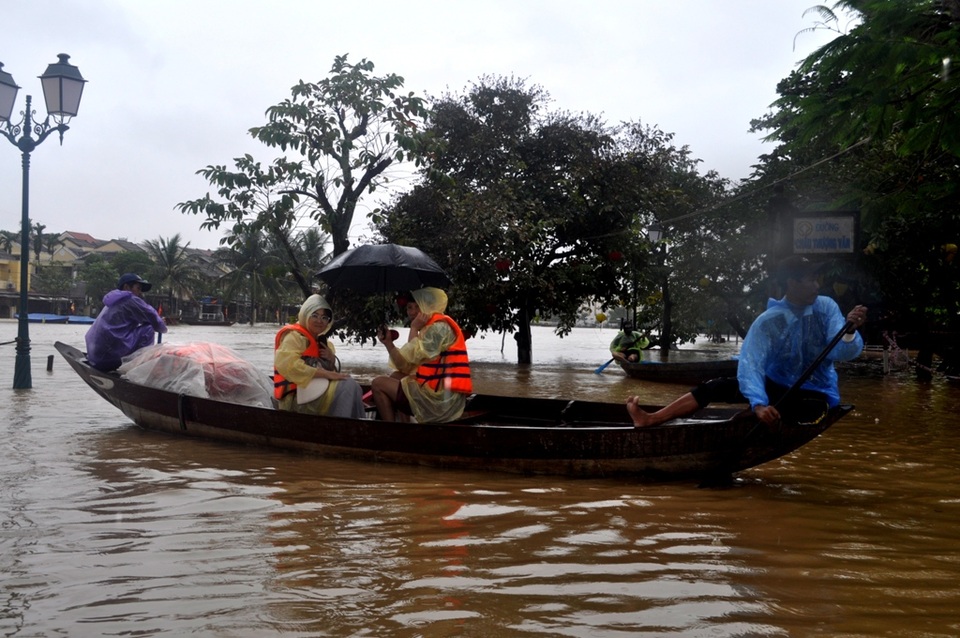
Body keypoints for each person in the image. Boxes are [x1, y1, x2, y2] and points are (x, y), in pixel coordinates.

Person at [627, 256, 868, 427]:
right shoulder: (769, 321)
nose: (817, 286)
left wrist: (849, 330)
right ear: (792, 283)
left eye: (817, 280)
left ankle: (747, 418)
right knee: (715, 386)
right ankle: (651, 419)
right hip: (777, 385)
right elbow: (751, 364)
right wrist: (759, 403)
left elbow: (843, 352)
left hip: (816, 393)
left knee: (799, 410)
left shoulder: (826, 307)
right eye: (810, 280)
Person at [371, 287, 472, 422]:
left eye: (417, 307)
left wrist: (414, 328)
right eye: (409, 308)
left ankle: (391, 433)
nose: (412, 312)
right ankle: (405, 426)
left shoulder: (439, 328)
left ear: (428, 307)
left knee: (378, 383)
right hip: (436, 392)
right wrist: (388, 343)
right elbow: (404, 367)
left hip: (441, 401)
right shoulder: (429, 328)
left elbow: (412, 357)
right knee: (395, 376)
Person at [273, 294, 366, 419]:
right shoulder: (294, 337)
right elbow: (288, 366)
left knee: (354, 386)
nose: (319, 321)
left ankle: (354, 425)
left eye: (324, 317)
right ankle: (341, 428)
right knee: (348, 385)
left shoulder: (325, 343)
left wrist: (331, 359)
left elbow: (332, 373)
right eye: (315, 315)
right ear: (305, 314)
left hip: (317, 393)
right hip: (296, 398)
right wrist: (326, 374)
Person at [85, 273, 168, 372]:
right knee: (149, 328)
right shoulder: (130, 299)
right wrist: (161, 323)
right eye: (138, 288)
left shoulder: (113, 300)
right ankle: (139, 367)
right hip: (109, 356)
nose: (139, 292)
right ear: (127, 287)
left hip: (96, 355)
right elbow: (158, 324)